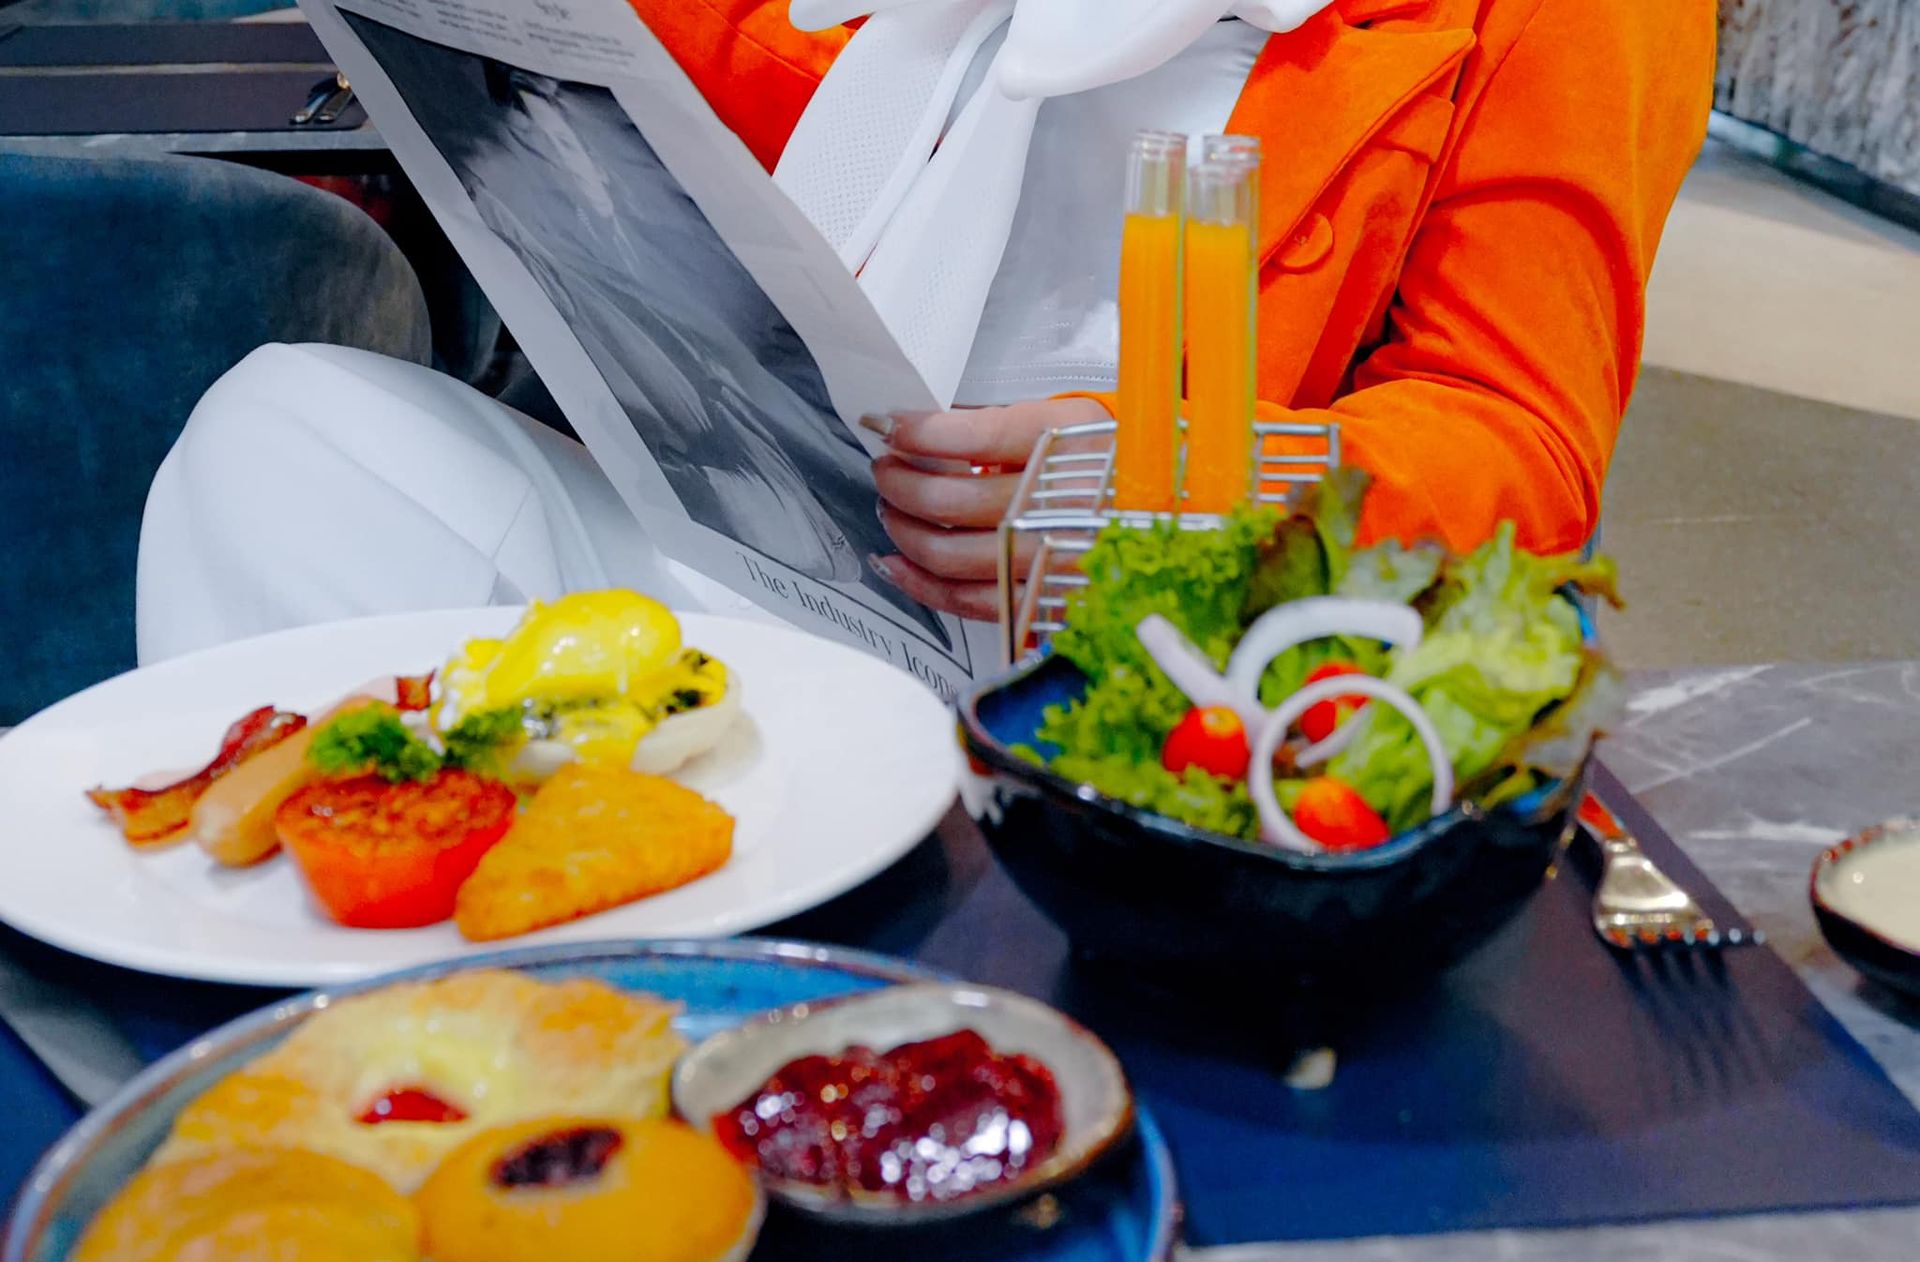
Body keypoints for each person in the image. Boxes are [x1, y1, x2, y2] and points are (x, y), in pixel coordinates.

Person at [134, 0, 1715, 658]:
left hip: (1128, 656)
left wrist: (1169, 481)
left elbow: (1523, 433)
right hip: (793, 548)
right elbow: (785, 82)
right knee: (279, 446)